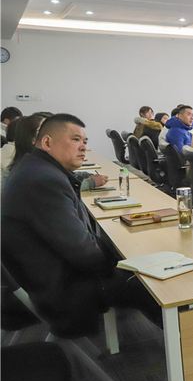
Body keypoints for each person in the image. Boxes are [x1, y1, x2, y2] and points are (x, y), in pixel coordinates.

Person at [1, 113, 162, 336]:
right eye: (75, 139)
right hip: (55, 291)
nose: (83, 147)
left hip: (40, 278)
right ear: (47, 142)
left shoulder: (35, 168)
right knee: (147, 282)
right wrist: (122, 263)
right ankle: (190, 343)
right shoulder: (44, 180)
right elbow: (84, 254)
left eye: (85, 141)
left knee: (133, 265)